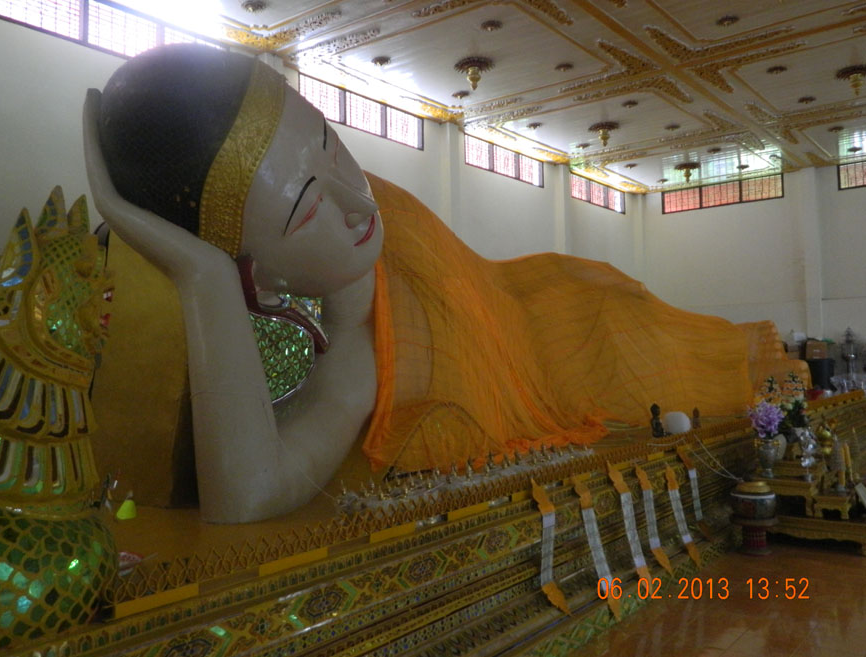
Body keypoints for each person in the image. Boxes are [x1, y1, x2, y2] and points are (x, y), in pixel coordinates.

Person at [84, 45, 805, 524]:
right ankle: (745, 356)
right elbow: (243, 495)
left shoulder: (369, 227)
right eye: (309, 208)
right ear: (258, 277)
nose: (358, 202)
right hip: (579, 366)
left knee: (643, 314)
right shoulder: (357, 359)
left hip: (558, 297)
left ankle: (743, 349)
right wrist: (206, 278)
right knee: (670, 355)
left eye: (330, 140)